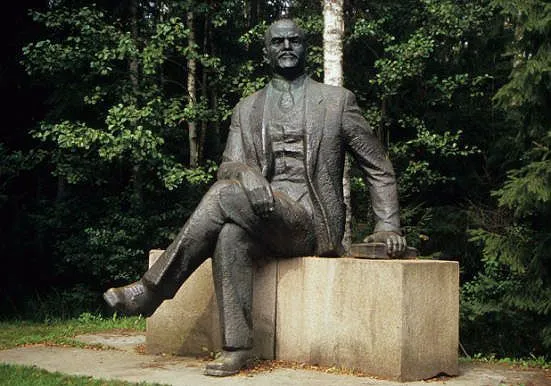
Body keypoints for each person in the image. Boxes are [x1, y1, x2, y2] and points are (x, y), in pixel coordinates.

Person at [104, 18, 406, 377]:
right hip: (263, 218)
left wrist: (387, 225)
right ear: (266, 52)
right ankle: (237, 348)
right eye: (278, 42)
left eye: (294, 40)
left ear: (305, 47)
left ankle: (152, 290)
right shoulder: (247, 109)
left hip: (311, 223)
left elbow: (378, 165)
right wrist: (247, 176)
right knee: (230, 236)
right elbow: (229, 166)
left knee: (222, 197)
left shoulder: (337, 102)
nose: (287, 46)